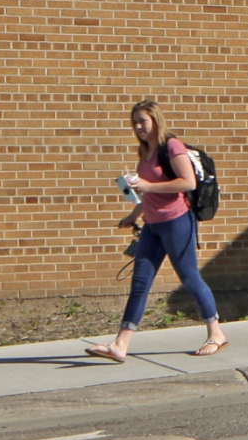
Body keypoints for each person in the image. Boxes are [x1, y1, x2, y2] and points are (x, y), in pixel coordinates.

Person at [85, 100, 226, 361]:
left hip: (177, 222)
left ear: (155, 121)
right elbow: (146, 192)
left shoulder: (171, 146)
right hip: (152, 225)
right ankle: (120, 345)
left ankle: (215, 333)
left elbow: (188, 182)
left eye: (143, 121)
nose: (138, 126)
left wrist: (149, 186)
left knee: (190, 278)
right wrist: (133, 214)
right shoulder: (145, 151)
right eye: (135, 122)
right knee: (140, 282)